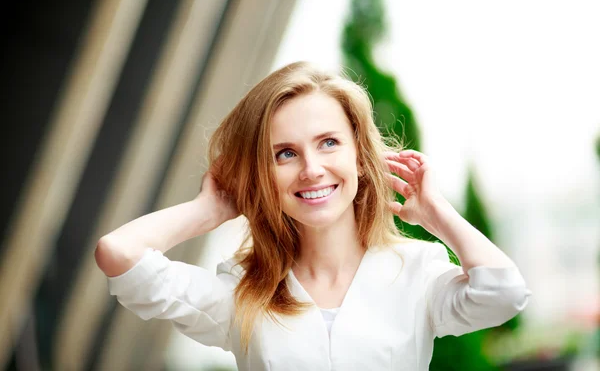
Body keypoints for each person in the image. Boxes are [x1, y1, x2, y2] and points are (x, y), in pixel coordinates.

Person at [95, 61, 531, 371]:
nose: (311, 169)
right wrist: (208, 210)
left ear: (360, 156)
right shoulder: (241, 296)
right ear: (265, 174)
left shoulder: (416, 274)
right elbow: (119, 254)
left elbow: (504, 293)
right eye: (285, 153)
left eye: (328, 143)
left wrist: (436, 215)